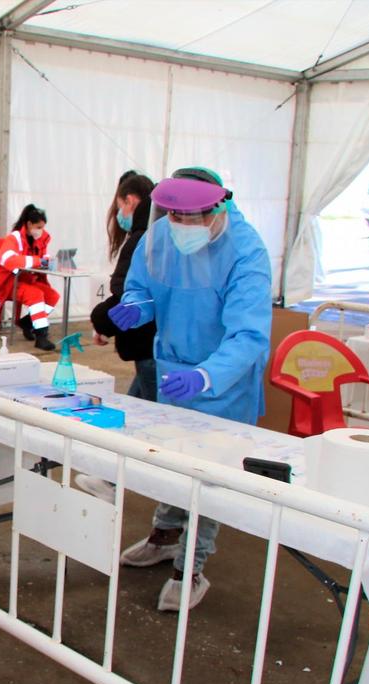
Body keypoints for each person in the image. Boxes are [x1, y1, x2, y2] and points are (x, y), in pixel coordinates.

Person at [105, 167, 272, 611]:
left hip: (222, 380)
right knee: (173, 460)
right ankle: (164, 534)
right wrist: (134, 309)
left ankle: (191, 565)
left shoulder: (246, 250)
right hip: (172, 369)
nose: (182, 227)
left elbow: (248, 335)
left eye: (192, 217)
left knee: (209, 474)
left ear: (218, 208)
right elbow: (143, 288)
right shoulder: (159, 236)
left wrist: (207, 375)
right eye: (173, 216)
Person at [90, 170, 158, 400]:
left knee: (152, 411)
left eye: (120, 206)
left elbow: (128, 294)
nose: (120, 214)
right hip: (151, 345)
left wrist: (102, 321)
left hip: (148, 345)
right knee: (136, 405)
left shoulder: (142, 240)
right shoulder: (154, 234)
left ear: (130, 200)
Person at [0, 203, 60, 350]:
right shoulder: (14, 238)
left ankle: (27, 323)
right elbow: (9, 260)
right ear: (29, 224)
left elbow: (42, 256)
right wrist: (38, 261)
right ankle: (41, 336)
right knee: (35, 295)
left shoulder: (40, 240)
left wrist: (48, 261)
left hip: (24, 279)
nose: (41, 231)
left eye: (42, 227)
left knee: (52, 296)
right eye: (39, 227)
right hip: (4, 282)